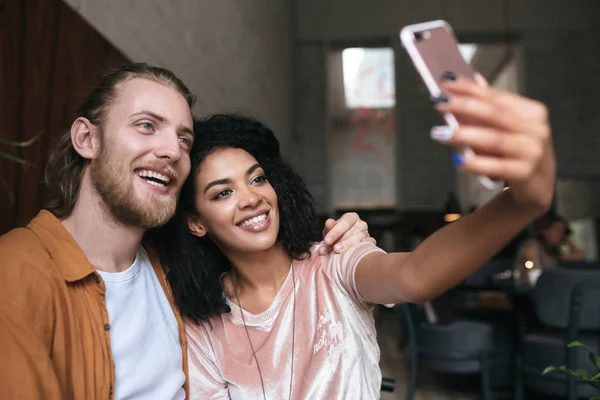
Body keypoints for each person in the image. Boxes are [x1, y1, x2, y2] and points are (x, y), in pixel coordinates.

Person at [159, 72, 556, 399]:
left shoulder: (333, 261)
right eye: (223, 192)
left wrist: (521, 203)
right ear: (196, 222)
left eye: (257, 179)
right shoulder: (201, 322)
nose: (251, 199)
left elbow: (414, 276)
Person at [0, 63, 372, 400]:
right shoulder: (16, 269)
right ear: (87, 139)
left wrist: (347, 243)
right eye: (146, 125)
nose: (171, 151)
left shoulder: (171, 272)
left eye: (183, 139)